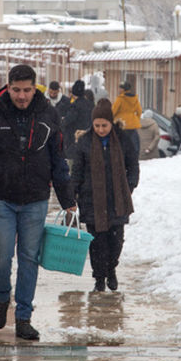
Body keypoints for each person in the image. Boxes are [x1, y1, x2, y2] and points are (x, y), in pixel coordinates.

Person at [0, 63, 77, 341]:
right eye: (16, 90)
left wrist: (67, 199)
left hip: (35, 199)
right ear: (8, 87)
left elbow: (58, 159)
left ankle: (24, 316)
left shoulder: (48, 114)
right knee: (0, 257)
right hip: (1, 197)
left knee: (29, 259)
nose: (22, 96)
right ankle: (2, 298)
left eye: (27, 90)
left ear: (34, 87)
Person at [71, 99, 139, 292]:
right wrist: (73, 193)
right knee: (97, 243)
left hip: (118, 200)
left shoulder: (123, 140)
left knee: (116, 241)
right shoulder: (84, 142)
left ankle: (112, 269)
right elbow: (77, 171)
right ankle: (99, 278)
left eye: (104, 125)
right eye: (97, 125)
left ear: (111, 123)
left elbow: (133, 165)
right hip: (92, 200)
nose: (101, 129)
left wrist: (130, 185)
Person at [62, 80, 94, 163]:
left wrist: (62, 121)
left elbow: (67, 121)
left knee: (74, 165)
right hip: (88, 138)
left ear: (73, 92)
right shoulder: (91, 105)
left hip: (74, 139)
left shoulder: (75, 106)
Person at [112, 80, 142, 157]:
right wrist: (136, 119)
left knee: (121, 143)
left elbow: (113, 111)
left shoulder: (120, 98)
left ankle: (123, 157)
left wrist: (112, 120)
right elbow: (139, 111)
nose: (119, 89)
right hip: (132, 124)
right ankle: (133, 156)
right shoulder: (135, 98)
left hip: (122, 124)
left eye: (120, 88)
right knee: (133, 142)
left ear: (124, 89)